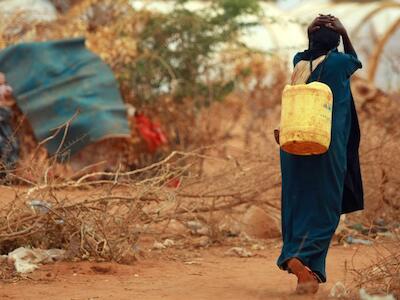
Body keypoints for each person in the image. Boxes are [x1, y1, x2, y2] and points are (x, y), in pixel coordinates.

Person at [276, 15, 364, 294]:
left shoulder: (299, 64)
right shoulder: (339, 64)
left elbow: (307, 52)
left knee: (297, 203)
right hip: (326, 147)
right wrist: (344, 30)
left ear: (311, 40)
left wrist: (312, 31)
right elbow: (355, 59)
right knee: (326, 208)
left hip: (292, 146)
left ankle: (307, 270)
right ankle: (297, 259)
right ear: (335, 42)